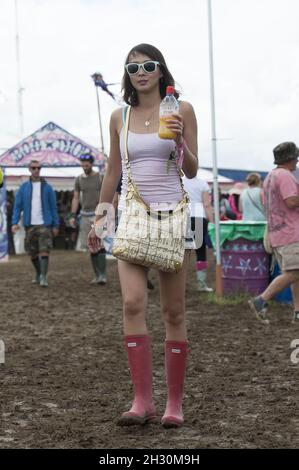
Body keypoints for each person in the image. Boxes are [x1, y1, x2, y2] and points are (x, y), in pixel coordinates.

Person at [88, 43, 198, 427]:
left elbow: (192, 171)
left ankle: (174, 403)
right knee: (133, 304)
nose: (141, 72)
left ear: (161, 70)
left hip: (172, 216)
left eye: (149, 65)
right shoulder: (120, 116)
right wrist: (100, 220)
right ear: (128, 75)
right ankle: (141, 401)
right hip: (132, 217)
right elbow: (113, 172)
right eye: (133, 67)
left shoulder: (181, 110)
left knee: (172, 311)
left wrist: (181, 142)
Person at [248, 142, 299, 324]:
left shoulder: (270, 177)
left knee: (292, 273)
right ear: (290, 158)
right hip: (290, 232)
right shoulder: (286, 176)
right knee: (294, 272)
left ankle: (297, 312)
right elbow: (292, 201)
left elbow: (266, 203)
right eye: (295, 157)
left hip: (276, 232)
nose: (297, 161)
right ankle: (260, 300)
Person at [11, 160, 59, 287]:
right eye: (33, 168)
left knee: (44, 251)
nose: (36, 170)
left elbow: (54, 207)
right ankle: (38, 273)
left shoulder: (48, 188)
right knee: (32, 253)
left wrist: (55, 225)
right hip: (29, 225)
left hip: (45, 224)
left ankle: (43, 277)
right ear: (29, 169)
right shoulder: (24, 188)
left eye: (38, 168)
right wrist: (14, 222)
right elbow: (17, 206)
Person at [70, 153, 106, 284]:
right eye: (83, 164)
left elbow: (106, 193)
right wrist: (72, 215)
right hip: (85, 214)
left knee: (100, 244)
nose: (84, 167)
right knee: (91, 245)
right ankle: (97, 275)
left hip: (98, 214)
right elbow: (75, 197)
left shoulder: (100, 177)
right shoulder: (78, 180)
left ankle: (103, 275)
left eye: (87, 164)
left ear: (91, 163)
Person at [183, 175, 214, 291]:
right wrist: (212, 222)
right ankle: (201, 284)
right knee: (200, 251)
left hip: (183, 217)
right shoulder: (202, 183)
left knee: (182, 251)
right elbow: (207, 204)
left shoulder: (180, 180)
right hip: (199, 218)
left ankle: (179, 284)